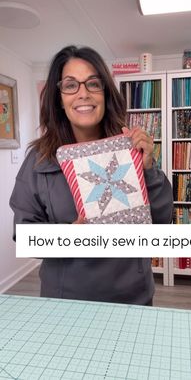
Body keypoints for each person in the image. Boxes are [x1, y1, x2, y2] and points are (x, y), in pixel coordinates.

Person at [10, 45, 173, 305]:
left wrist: (148, 170)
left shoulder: (129, 148)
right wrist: (66, 237)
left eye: (93, 84)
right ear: (59, 98)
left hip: (133, 296)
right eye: (71, 85)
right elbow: (25, 237)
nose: (83, 94)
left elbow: (162, 222)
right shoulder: (39, 159)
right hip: (67, 302)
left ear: (105, 93)